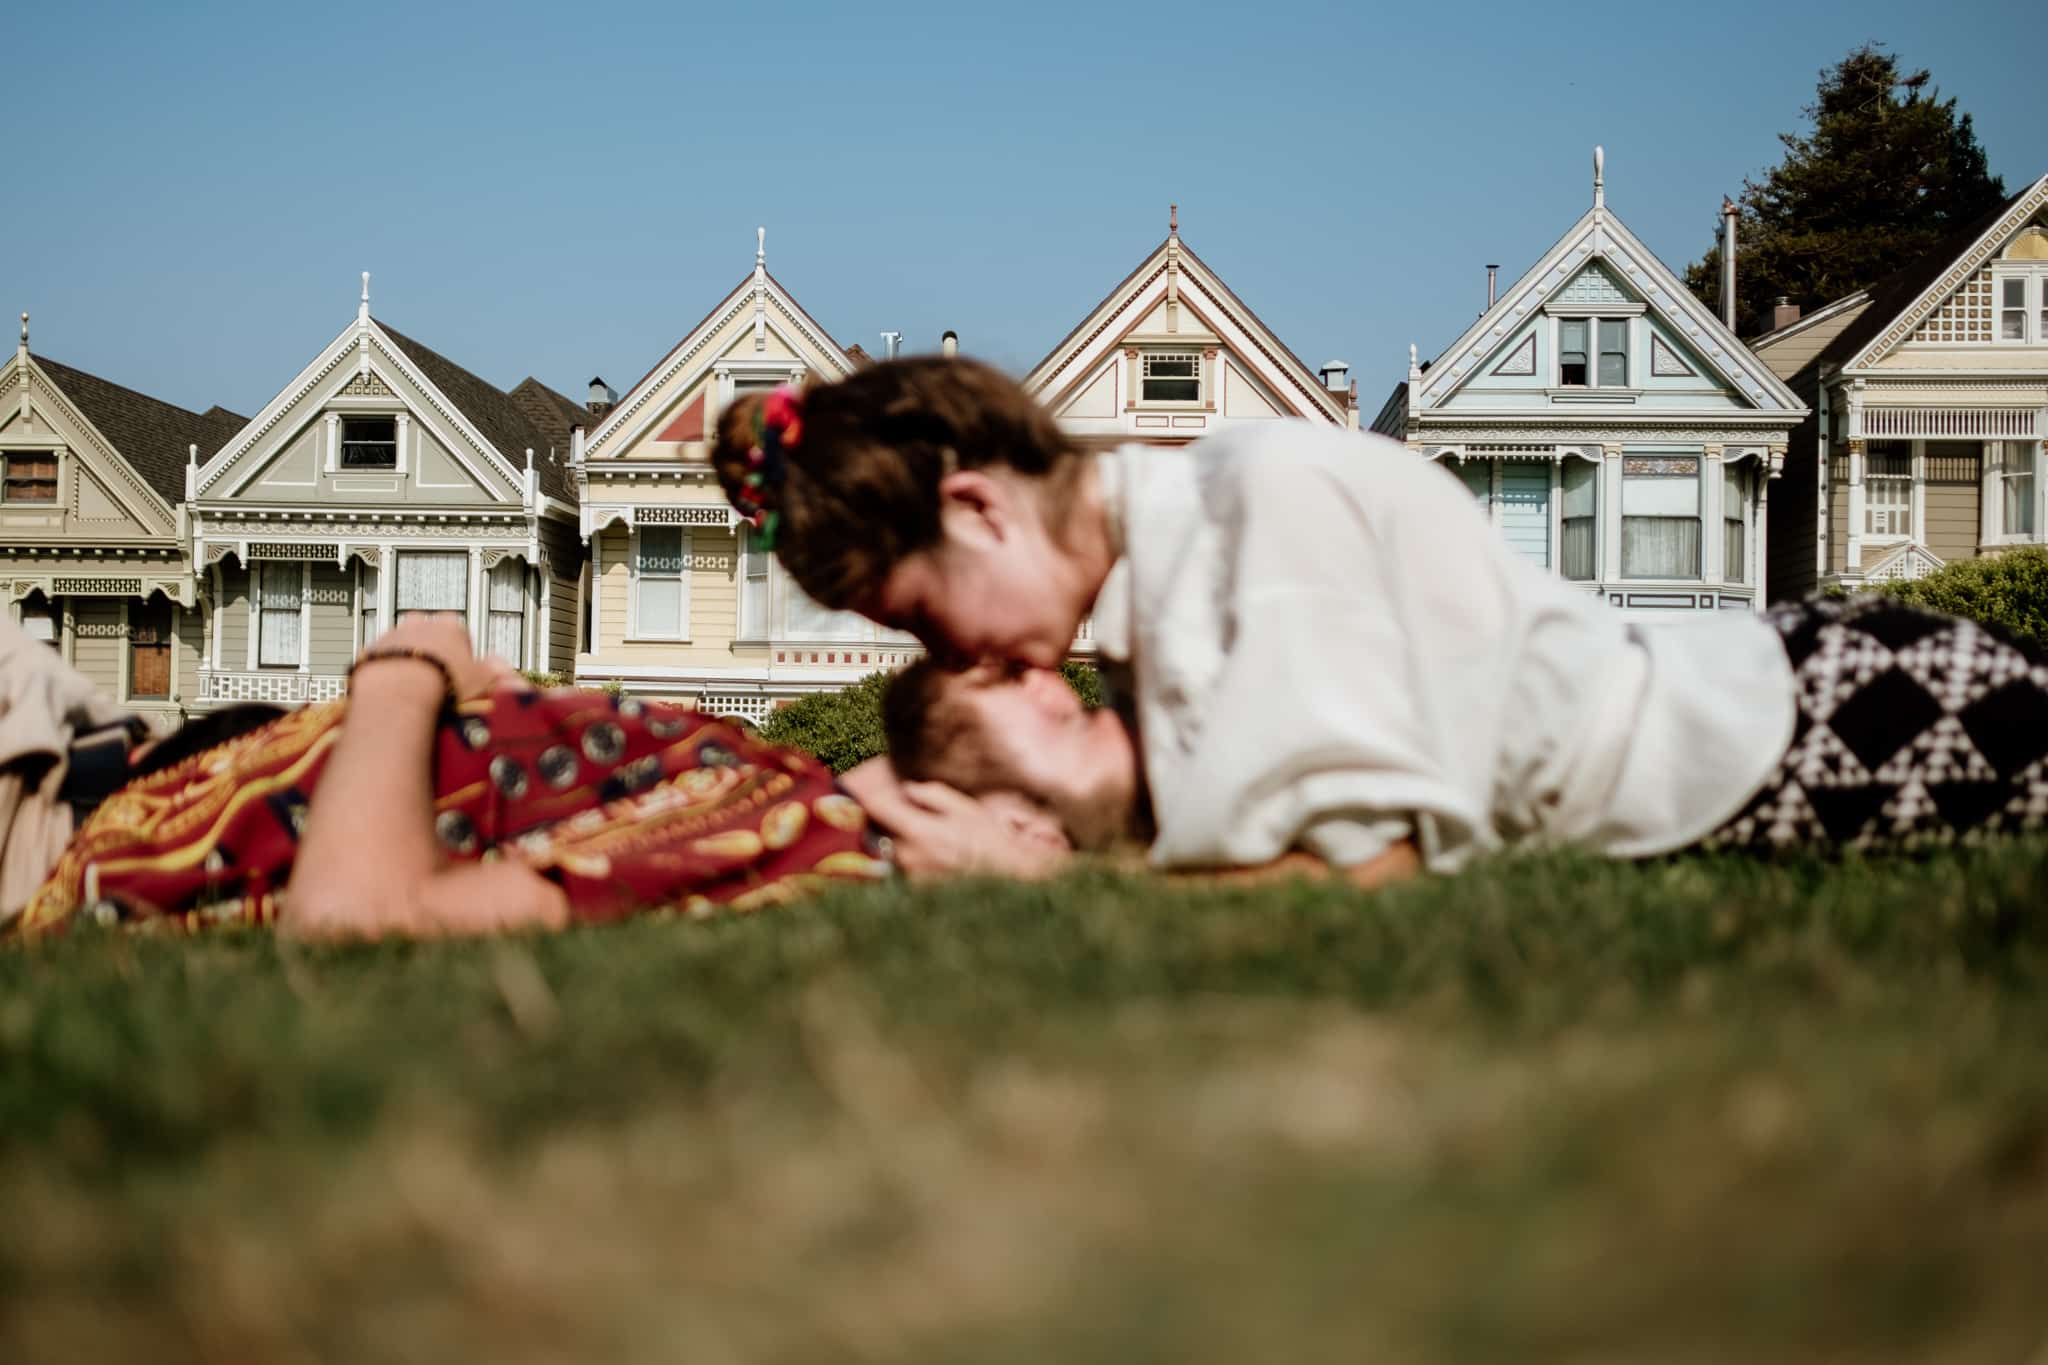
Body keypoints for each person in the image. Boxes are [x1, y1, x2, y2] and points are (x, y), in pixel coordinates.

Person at [715, 361, 2048, 878]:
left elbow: (1364, 880)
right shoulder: (1148, 603)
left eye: (926, 620)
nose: (961, 661)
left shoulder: (1261, 515)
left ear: (979, 511)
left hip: (1801, 721)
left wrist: (1043, 882)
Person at [15, 615, 1069, 939]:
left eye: (1063, 713)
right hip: (109, 749)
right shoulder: (786, 785)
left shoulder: (809, 839)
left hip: (63, 832)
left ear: (1027, 839)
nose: (1041, 663)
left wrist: (406, 669)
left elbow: (356, 919)